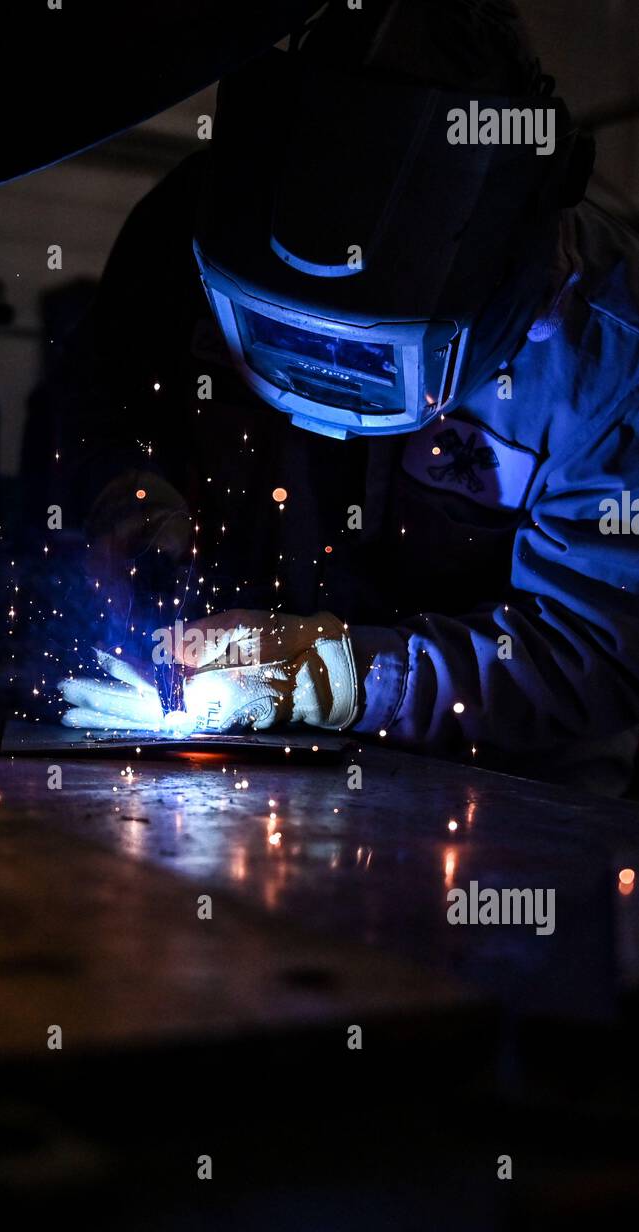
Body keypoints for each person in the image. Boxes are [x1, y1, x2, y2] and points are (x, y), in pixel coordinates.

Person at [53, 0, 639, 795]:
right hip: (262, 779)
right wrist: (125, 490)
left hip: (510, 802)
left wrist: (343, 677)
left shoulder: (608, 356)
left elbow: (593, 655)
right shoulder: (194, 224)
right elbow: (100, 404)